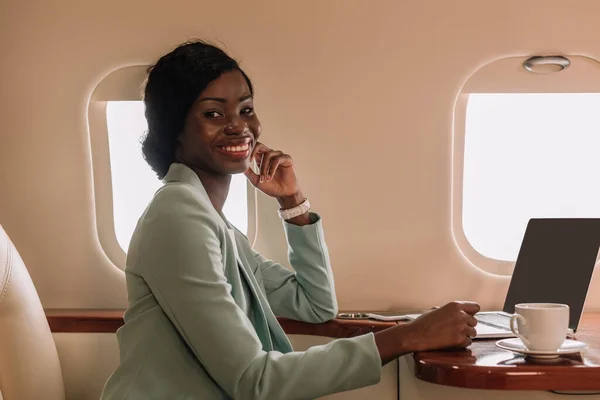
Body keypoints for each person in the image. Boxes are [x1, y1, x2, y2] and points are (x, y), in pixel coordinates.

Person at [99, 39, 480, 400]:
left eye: (245, 109)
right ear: (174, 129)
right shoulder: (178, 218)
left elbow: (316, 305)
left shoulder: (215, 224)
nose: (237, 125)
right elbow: (255, 380)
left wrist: (293, 203)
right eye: (213, 113)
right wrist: (406, 338)